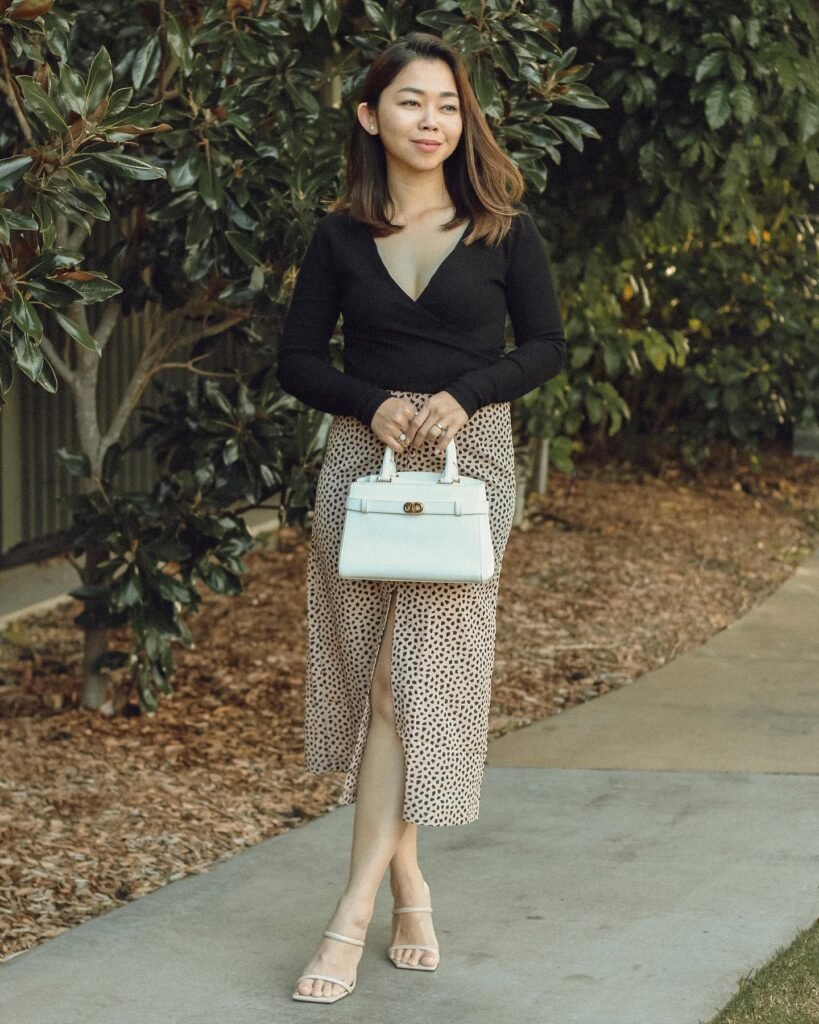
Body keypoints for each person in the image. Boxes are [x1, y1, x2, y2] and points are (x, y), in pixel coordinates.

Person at [277, 30, 566, 1005]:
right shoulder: (337, 236)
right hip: (363, 469)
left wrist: (467, 394)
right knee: (373, 690)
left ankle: (347, 917)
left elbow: (548, 346)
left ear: (463, 115)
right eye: (411, 102)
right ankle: (411, 891)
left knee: (409, 688)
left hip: (467, 465)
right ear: (370, 115)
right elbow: (298, 360)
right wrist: (369, 402)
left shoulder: (504, 231)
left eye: (446, 103)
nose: (432, 120)